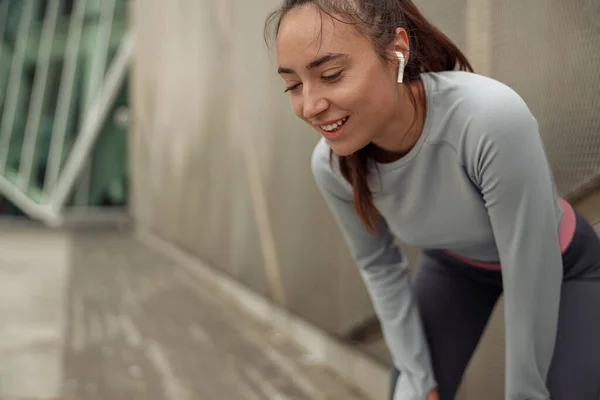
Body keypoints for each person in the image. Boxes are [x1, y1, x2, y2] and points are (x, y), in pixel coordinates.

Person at [265, 1, 600, 399]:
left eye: (331, 74)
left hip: (560, 264)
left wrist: (526, 391)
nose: (310, 105)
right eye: (294, 85)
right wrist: (417, 374)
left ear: (397, 51)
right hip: (455, 267)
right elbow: (379, 266)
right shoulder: (331, 165)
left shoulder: (489, 118)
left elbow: (530, 266)